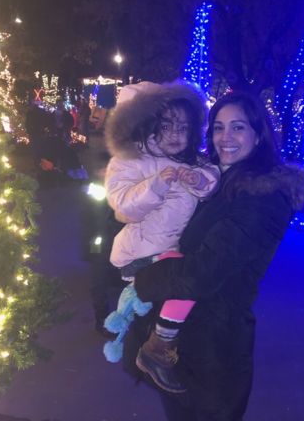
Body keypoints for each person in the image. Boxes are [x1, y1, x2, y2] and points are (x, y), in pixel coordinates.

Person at [123, 91, 304, 420]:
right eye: (218, 127)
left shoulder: (263, 197)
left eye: (238, 127)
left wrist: (142, 279)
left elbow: (202, 272)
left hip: (213, 351)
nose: (225, 137)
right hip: (184, 341)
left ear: (258, 135)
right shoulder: (219, 180)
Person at [103, 80, 220, 391]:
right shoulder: (132, 160)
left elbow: (212, 175)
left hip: (166, 249)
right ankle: (157, 345)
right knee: (189, 278)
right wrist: (155, 186)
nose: (175, 134)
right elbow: (123, 205)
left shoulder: (189, 161)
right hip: (138, 255)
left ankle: (149, 343)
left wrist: (198, 180)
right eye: (166, 125)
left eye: (183, 127)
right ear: (148, 124)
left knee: (186, 281)